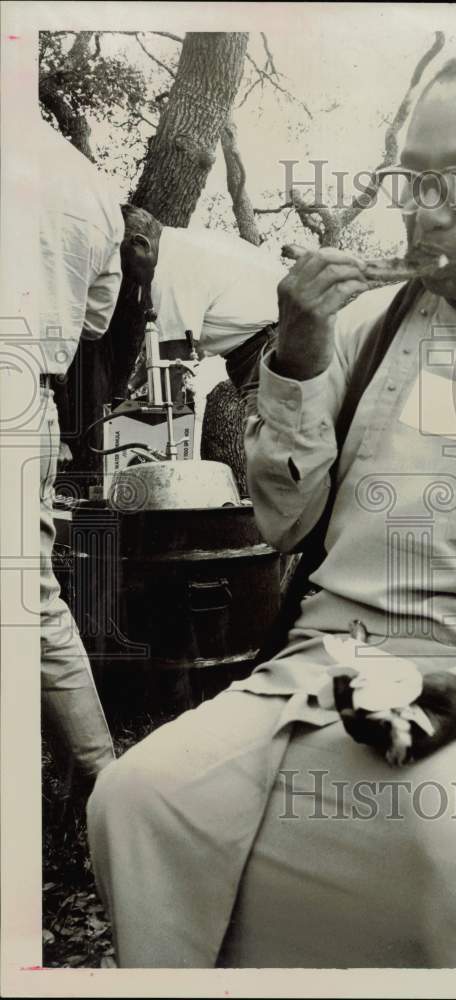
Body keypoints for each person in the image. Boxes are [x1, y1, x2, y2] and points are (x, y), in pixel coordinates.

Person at [88, 49, 456, 968]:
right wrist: (291, 362)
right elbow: (287, 525)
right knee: (136, 799)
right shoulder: (364, 331)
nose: (428, 207)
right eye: (414, 177)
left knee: (427, 831)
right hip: (325, 660)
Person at [38, 122, 124, 790]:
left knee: (27, 601)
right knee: (31, 598)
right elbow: (97, 318)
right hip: (32, 391)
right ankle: (100, 782)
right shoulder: (90, 183)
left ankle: (103, 785)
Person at [121, 207, 283, 398]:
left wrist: (166, 421)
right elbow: (169, 352)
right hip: (283, 334)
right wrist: (131, 387)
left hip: (269, 346)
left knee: (277, 426)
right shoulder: (180, 245)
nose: (124, 272)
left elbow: (174, 363)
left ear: (142, 243)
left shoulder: (168, 270)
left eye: (123, 260)